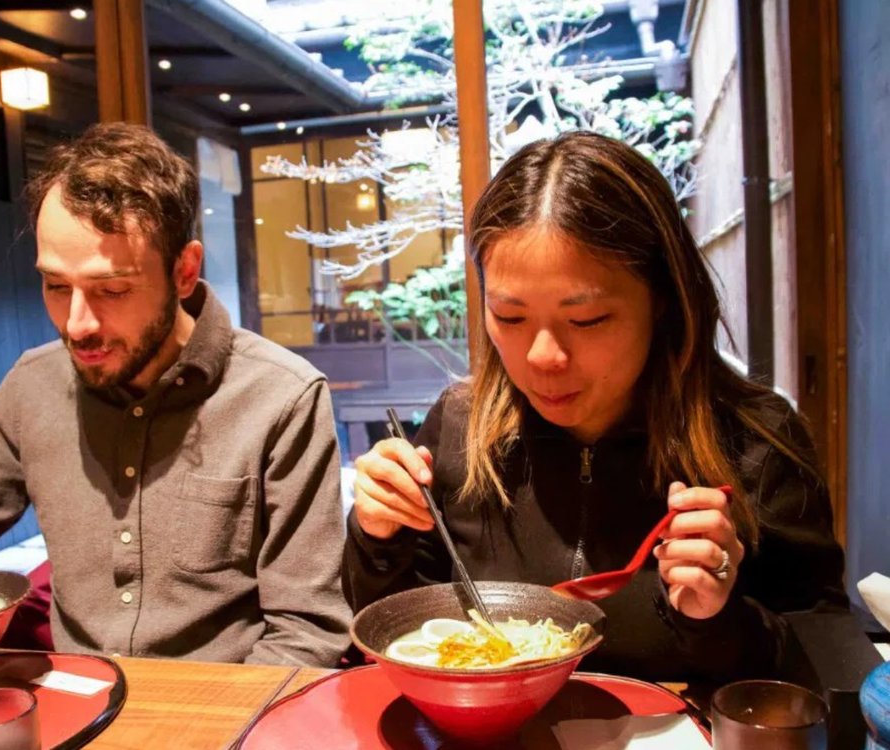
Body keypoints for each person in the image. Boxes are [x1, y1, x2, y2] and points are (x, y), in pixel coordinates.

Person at [343, 131, 848, 683]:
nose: (542, 357)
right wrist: (378, 537)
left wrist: (717, 618)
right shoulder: (461, 426)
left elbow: (825, 653)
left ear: (662, 299)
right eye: (509, 317)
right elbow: (402, 631)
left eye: (586, 320)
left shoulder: (756, 443)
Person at [0, 122, 351, 667]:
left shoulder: (280, 396)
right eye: (56, 285)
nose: (77, 325)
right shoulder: (33, 384)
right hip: (75, 701)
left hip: (221, 712)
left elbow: (308, 630)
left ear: (184, 271)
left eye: (111, 290)